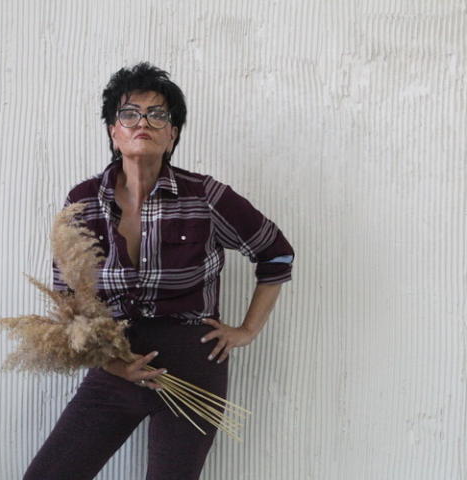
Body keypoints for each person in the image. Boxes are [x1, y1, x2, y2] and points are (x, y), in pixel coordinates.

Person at [22, 62, 295, 480]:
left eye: (157, 114)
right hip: (115, 363)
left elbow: (276, 254)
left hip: (192, 368)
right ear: (113, 131)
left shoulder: (205, 196)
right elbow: (68, 302)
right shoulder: (83, 202)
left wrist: (247, 330)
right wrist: (112, 365)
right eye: (129, 113)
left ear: (173, 134)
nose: (143, 123)